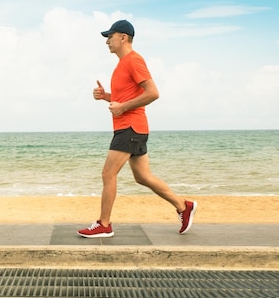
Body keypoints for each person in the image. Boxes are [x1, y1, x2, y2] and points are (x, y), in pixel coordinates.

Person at [78, 19, 197, 238]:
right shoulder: (121, 65)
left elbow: (152, 93)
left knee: (108, 173)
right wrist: (106, 97)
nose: (107, 42)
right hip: (133, 127)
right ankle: (183, 206)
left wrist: (122, 107)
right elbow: (126, 98)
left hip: (130, 127)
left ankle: (104, 224)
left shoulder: (134, 60)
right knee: (143, 177)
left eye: (110, 37)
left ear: (123, 37)